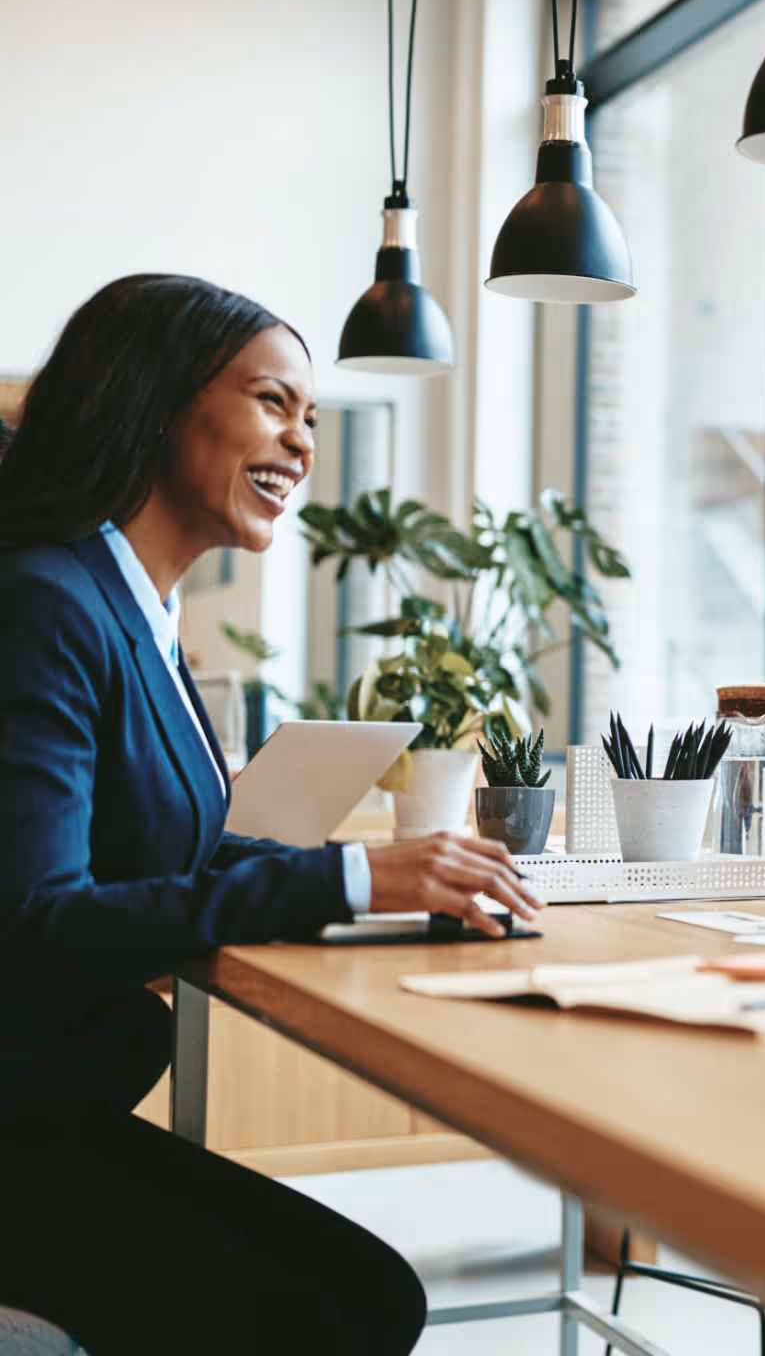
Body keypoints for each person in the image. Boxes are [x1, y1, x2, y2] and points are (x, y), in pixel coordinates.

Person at [0, 274, 542, 1354]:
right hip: (20, 1129)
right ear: (156, 404)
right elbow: (39, 917)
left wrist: (386, 881)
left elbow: (168, 845)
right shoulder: (48, 600)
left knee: (365, 1294)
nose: (303, 445)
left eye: (311, 416)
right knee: (353, 1305)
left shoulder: (129, 604)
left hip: (59, 1109)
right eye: (273, 402)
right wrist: (344, 880)